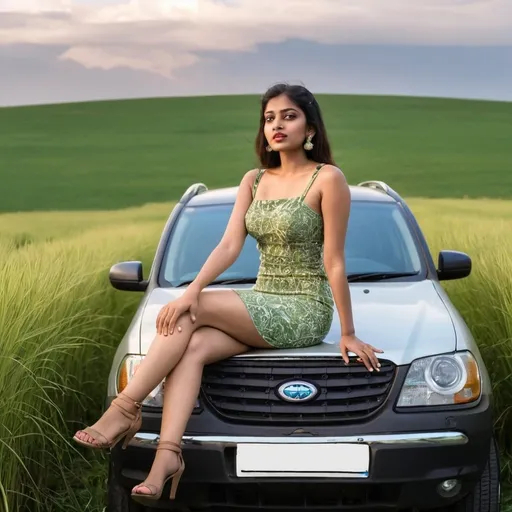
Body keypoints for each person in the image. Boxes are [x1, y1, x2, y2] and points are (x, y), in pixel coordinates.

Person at [72, 83, 384, 503]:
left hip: (303, 307)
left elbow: (335, 261)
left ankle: (126, 408)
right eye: (269, 118)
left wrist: (347, 331)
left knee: (190, 312)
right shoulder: (254, 180)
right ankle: (167, 456)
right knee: (195, 345)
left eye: (288, 116)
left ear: (310, 125)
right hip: (262, 298)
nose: (277, 125)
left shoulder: (327, 178)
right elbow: (228, 245)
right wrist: (192, 290)